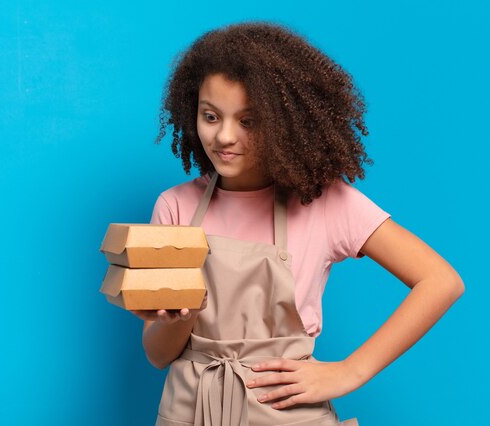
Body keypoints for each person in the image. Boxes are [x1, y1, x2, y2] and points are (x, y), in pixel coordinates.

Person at [130, 22, 464, 426]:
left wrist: (350, 371)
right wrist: (177, 316)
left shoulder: (324, 203)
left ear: (285, 121)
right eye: (211, 116)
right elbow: (158, 354)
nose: (225, 136)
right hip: (189, 410)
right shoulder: (175, 207)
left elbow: (441, 281)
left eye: (248, 121)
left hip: (287, 414)